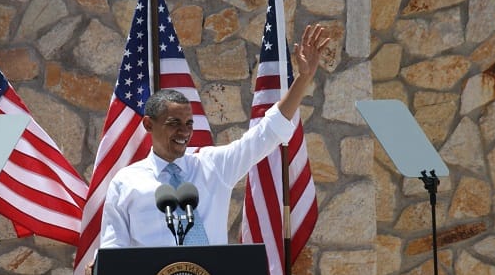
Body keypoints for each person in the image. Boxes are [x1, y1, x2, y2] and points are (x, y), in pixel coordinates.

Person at [96, 23, 329, 252]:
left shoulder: (213, 166)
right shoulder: (126, 182)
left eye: (189, 124)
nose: (184, 132)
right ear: (149, 124)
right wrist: (98, 264)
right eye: (173, 123)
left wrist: (303, 78)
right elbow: (113, 248)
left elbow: (267, 133)